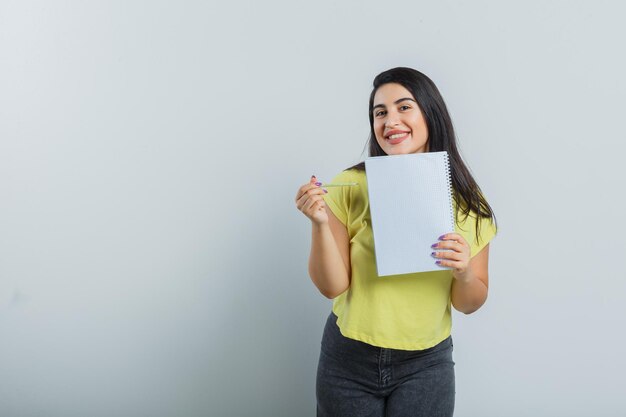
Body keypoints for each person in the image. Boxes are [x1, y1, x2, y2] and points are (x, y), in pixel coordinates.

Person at [294, 67, 498, 417]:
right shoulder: (350, 186)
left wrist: (464, 272)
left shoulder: (466, 200)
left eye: (404, 107)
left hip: (425, 363)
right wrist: (319, 223)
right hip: (348, 359)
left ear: (431, 113)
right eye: (380, 112)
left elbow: (470, 303)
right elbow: (332, 287)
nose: (391, 120)